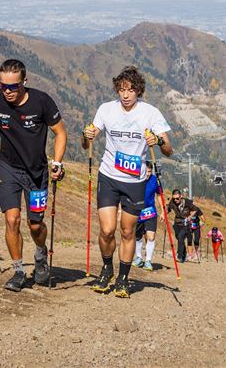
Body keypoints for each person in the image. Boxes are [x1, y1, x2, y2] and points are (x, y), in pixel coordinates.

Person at [0, 59, 66, 292]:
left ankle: (40, 255)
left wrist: (57, 162)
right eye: (3, 86)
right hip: (8, 168)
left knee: (35, 225)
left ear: (24, 82)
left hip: (37, 172)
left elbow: (60, 133)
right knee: (12, 219)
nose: (7, 91)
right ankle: (18, 270)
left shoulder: (42, 101)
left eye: (13, 86)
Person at [82, 66, 173, 298]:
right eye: (121, 90)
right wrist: (86, 136)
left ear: (138, 91)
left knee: (127, 231)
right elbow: (86, 142)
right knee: (107, 229)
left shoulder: (150, 113)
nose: (125, 95)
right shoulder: (106, 109)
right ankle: (106, 269)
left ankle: (123, 278)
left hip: (135, 181)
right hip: (109, 175)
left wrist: (158, 141)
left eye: (131, 90)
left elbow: (169, 150)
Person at [132, 162, 162, 272]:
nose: (148, 174)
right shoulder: (136, 179)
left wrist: (163, 211)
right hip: (138, 211)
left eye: (150, 172)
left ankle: (148, 261)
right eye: (146, 172)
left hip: (150, 211)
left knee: (151, 236)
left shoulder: (155, 180)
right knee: (138, 236)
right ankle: (139, 258)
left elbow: (159, 196)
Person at [165, 189, 198, 264]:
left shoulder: (187, 202)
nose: (175, 200)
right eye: (174, 198)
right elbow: (168, 210)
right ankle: (184, 253)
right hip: (177, 223)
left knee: (180, 237)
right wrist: (165, 211)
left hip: (185, 223)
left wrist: (190, 216)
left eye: (177, 198)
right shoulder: (172, 202)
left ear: (181, 196)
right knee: (179, 239)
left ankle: (179, 256)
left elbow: (195, 209)